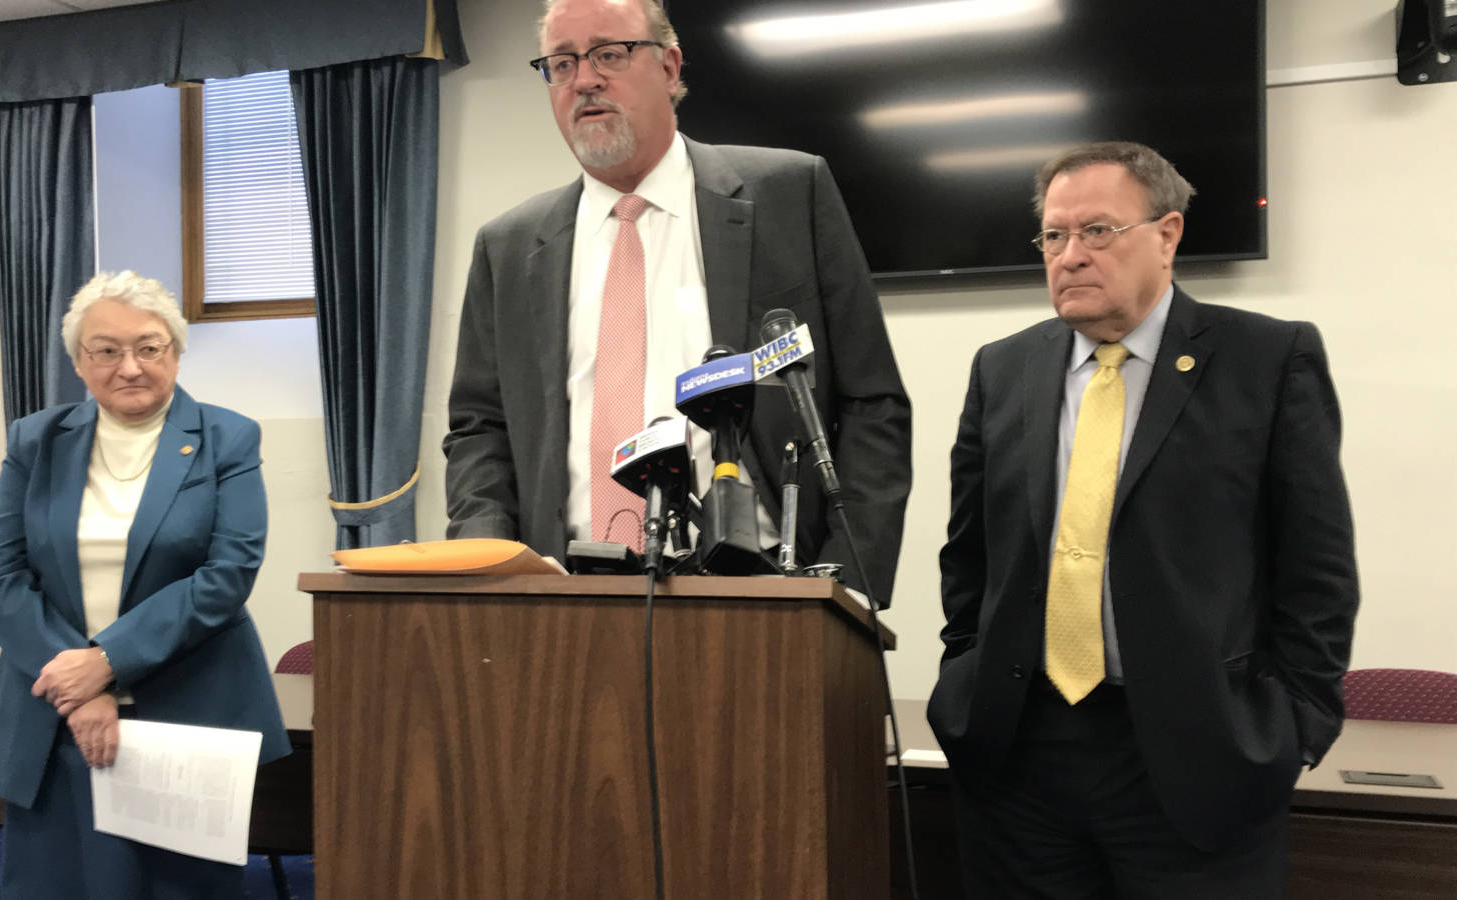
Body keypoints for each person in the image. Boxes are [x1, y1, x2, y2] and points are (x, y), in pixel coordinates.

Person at [926, 142, 1359, 897]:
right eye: (1053, 236)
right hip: (1021, 755)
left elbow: (1317, 569)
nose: (1069, 256)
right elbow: (970, 557)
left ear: (1167, 234)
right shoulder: (1004, 368)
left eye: (1097, 231)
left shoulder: (1266, 358)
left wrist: (1295, 727)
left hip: (1199, 757)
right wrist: (963, 674)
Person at [443, 0, 911, 602]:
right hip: (562, 600)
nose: (584, 79)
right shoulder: (506, 247)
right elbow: (479, 428)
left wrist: (846, 586)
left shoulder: (789, 194)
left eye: (609, 54)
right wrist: (492, 563)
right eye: (561, 64)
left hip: (766, 594)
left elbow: (872, 401)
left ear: (668, 68)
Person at [0, 271, 289, 898]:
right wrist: (79, 684)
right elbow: (0, 577)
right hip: (52, 715)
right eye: (107, 350)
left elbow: (227, 575)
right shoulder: (34, 441)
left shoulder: (228, 437)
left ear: (175, 350)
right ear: (79, 362)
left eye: (149, 346)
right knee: (55, 884)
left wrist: (107, 664)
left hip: (182, 715)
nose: (130, 367)